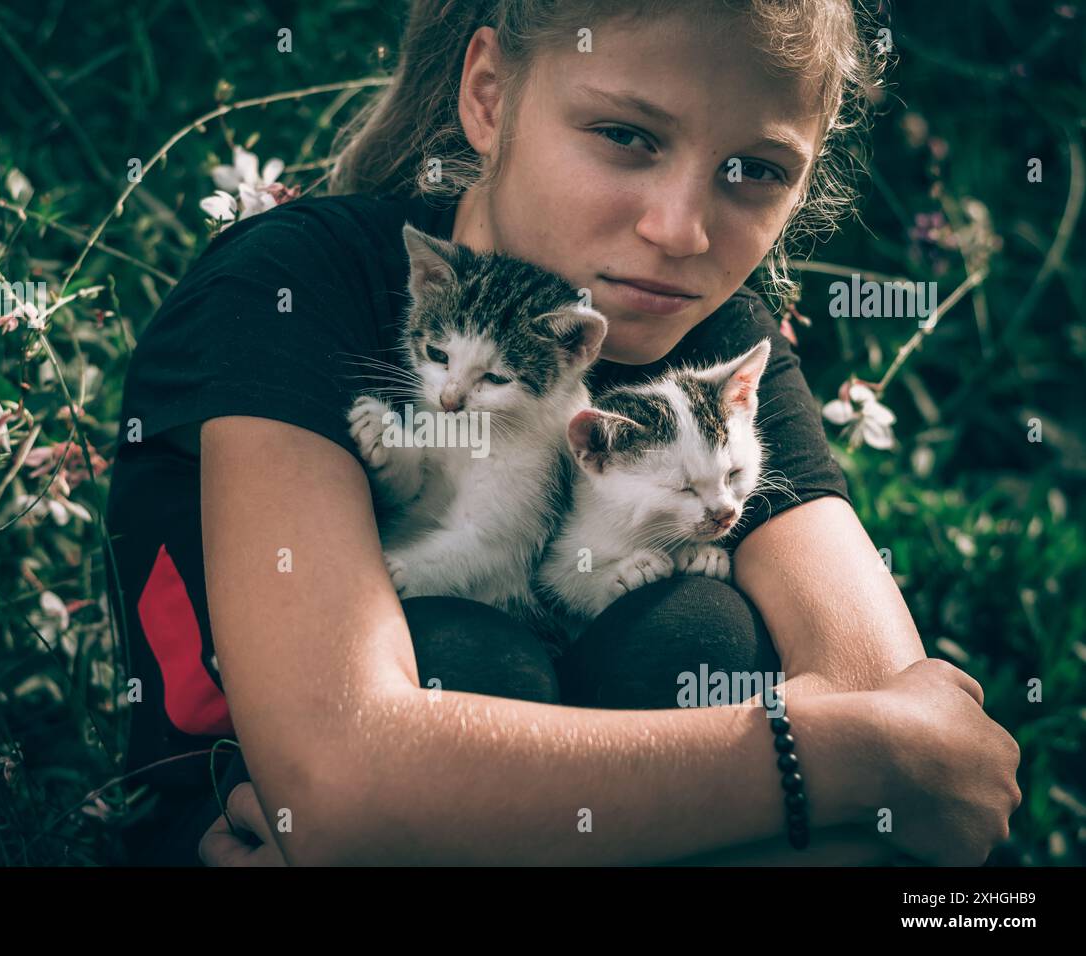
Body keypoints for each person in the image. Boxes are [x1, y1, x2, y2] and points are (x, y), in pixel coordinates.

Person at [106, 0, 1021, 866]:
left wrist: (420, 817)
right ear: (489, 96)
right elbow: (341, 777)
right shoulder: (298, 285)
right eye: (626, 136)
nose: (681, 231)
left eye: (757, 170)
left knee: (693, 632)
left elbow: (926, 790)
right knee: (468, 658)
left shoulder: (713, 349)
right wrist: (837, 762)